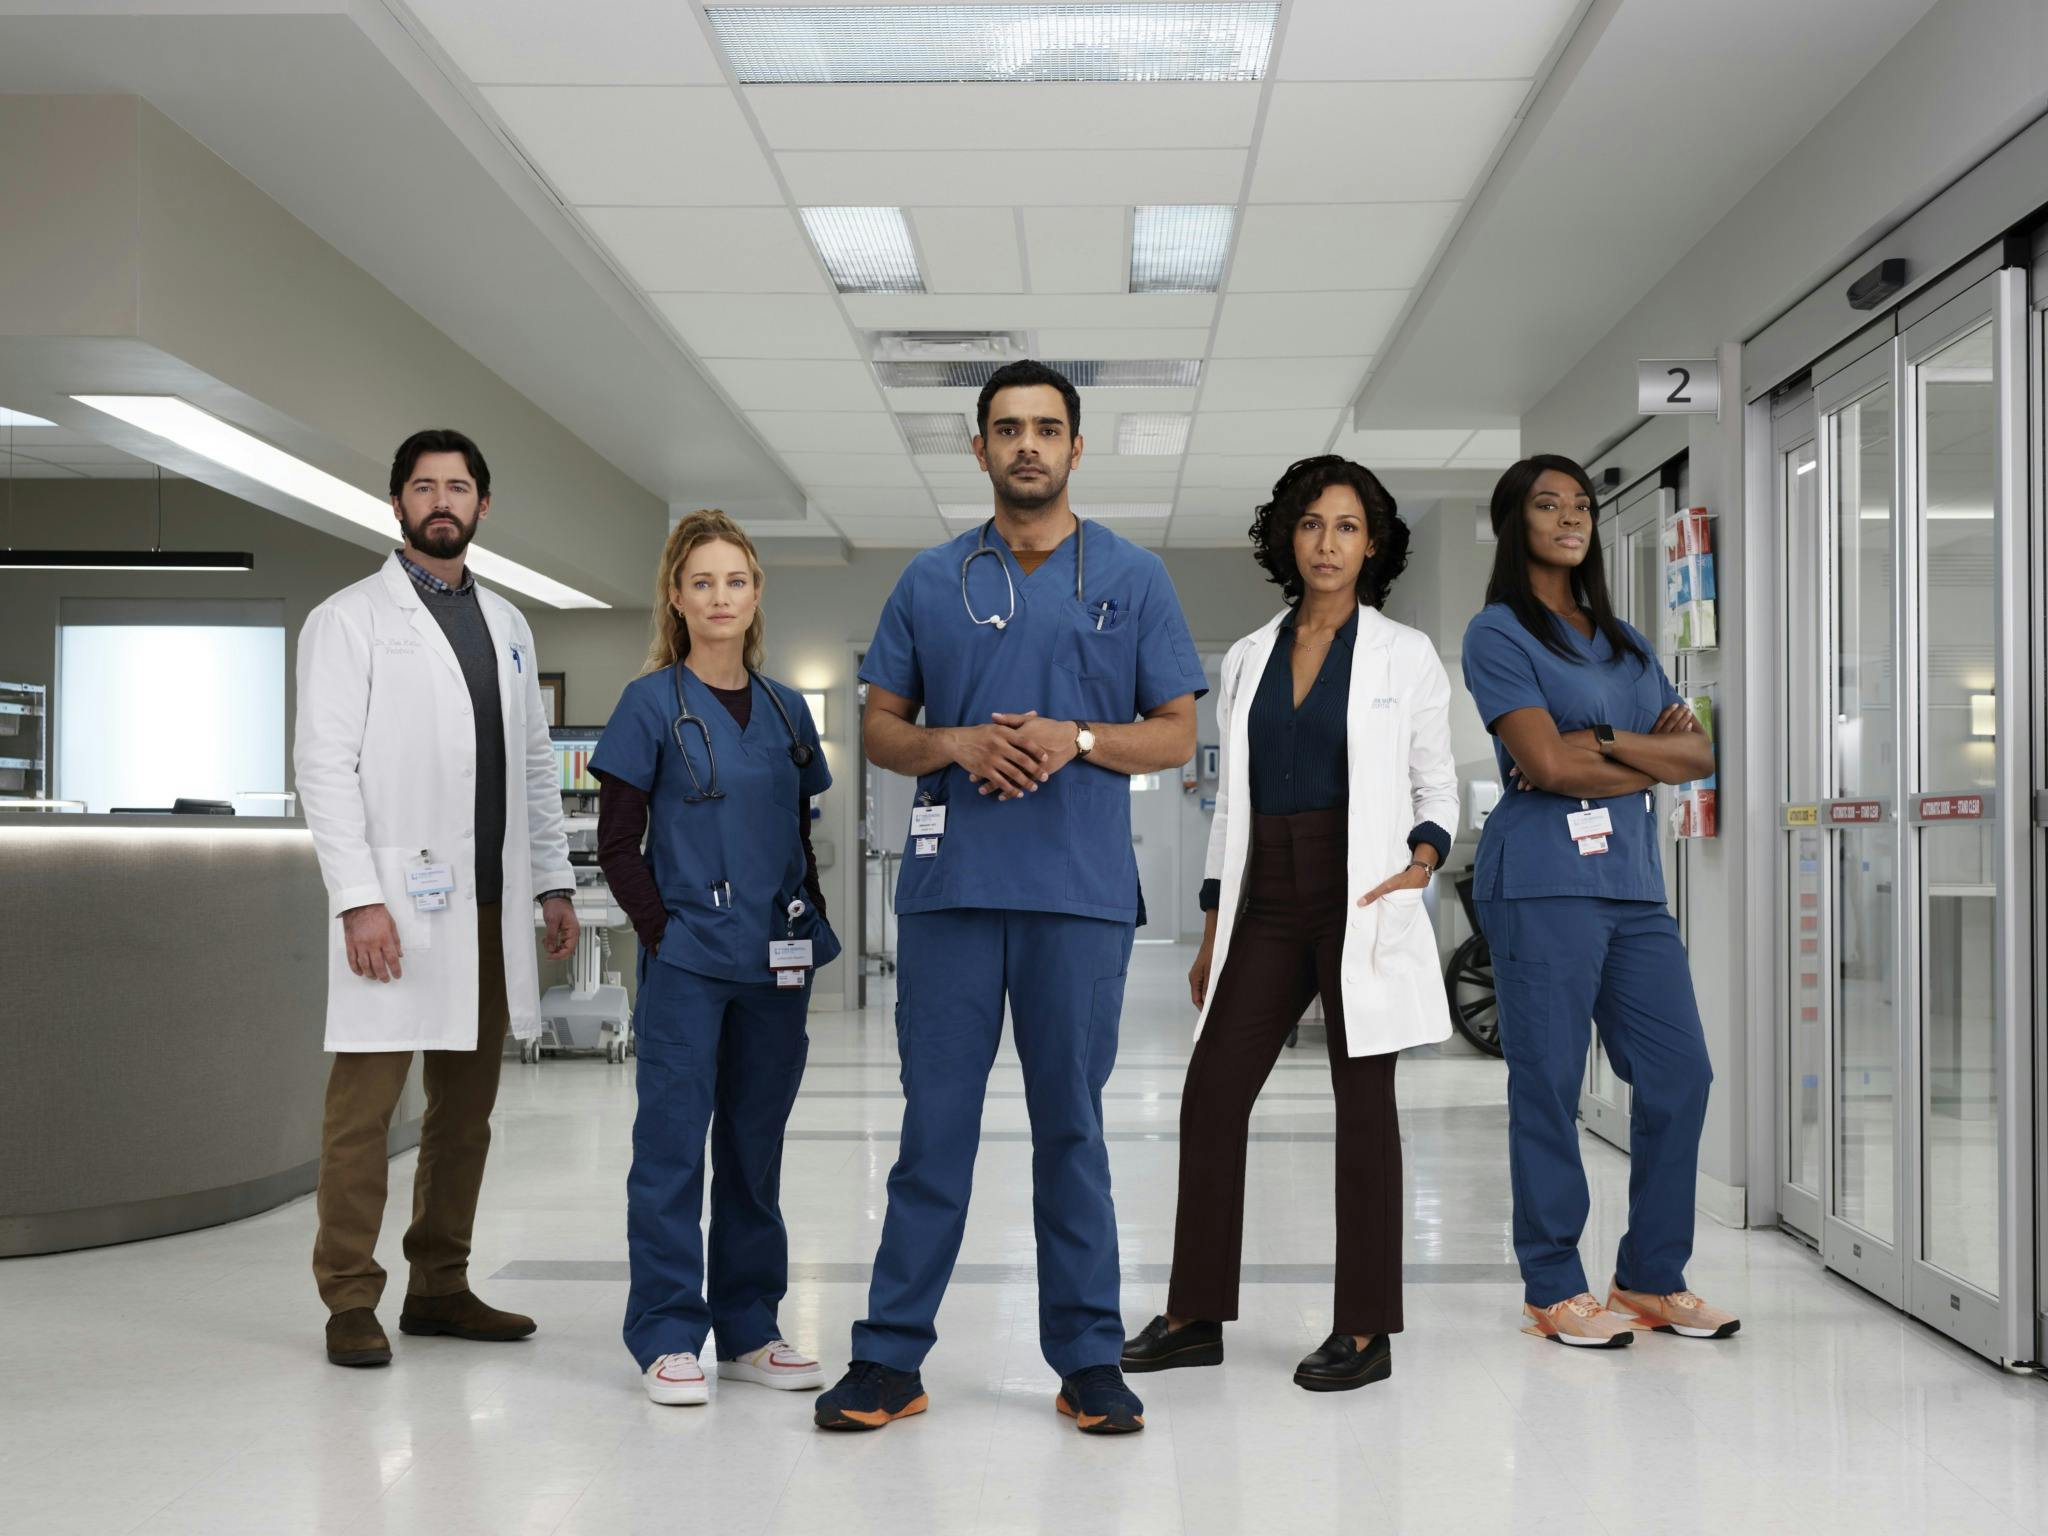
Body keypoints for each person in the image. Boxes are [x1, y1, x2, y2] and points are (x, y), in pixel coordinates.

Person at [813, 360, 1205, 1436]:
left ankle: (1086, 1358)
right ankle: (889, 1358)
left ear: (1077, 448)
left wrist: (1075, 739)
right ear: (977, 450)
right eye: (1005, 428)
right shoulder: (929, 581)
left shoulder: (1132, 577)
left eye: (1045, 428)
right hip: (950, 895)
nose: (1026, 444)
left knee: (1070, 1130)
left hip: (1075, 897)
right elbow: (884, 726)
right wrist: (959, 742)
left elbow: (1175, 731)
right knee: (931, 1130)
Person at [1122, 456, 1457, 1392]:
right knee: (1211, 1093)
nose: (1327, 542)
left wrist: (1421, 862)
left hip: (1361, 893)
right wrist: (1212, 926)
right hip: (1264, 891)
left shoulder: (1406, 654)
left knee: (1365, 1114)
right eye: (1312, 524)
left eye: (1347, 526)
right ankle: (1194, 1312)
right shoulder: (1249, 655)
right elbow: (1232, 801)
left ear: (1373, 543)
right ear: (1288, 537)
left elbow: (1434, 783)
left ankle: (1364, 1327)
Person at [295, 428, 579, 1368]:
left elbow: (534, 765)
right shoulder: (349, 619)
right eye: (424, 488)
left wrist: (552, 878)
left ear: (483, 507)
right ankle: (348, 1298)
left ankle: (441, 1286)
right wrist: (357, 898)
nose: (442, 501)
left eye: (459, 487)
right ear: (397, 505)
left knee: (467, 1109)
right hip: (394, 908)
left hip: (490, 907)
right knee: (364, 1111)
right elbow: (324, 767)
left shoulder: (506, 623)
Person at [1460, 454, 1736, 1347]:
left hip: (1632, 887)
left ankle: (1652, 1276)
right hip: (1541, 880)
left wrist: (1606, 738)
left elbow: (1696, 759)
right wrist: (1636, 756)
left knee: (1679, 1074)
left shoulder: (1626, 643)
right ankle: (1552, 1281)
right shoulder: (1499, 633)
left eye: (1581, 504)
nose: (1571, 518)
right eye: (1548, 505)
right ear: (1517, 524)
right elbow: (1543, 764)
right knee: (1546, 1083)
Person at [590, 510, 837, 1406]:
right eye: (702, 582)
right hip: (690, 962)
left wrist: (801, 923)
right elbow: (621, 843)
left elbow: (797, 836)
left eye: (735, 580)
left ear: (757, 593)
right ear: (676, 596)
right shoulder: (648, 702)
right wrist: (662, 933)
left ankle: (749, 1325)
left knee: (754, 1145)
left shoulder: (784, 708)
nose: (719, 597)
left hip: (775, 964)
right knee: (669, 1148)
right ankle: (665, 1332)